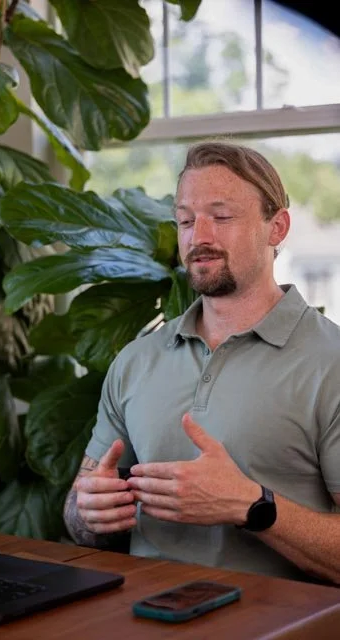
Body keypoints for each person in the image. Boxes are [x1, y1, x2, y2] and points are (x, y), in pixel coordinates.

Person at [63, 141, 340, 584]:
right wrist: (89, 511)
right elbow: (79, 513)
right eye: (186, 220)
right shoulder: (136, 360)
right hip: (137, 619)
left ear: (278, 227)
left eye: (222, 216)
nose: (199, 237)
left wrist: (252, 506)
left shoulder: (332, 363)